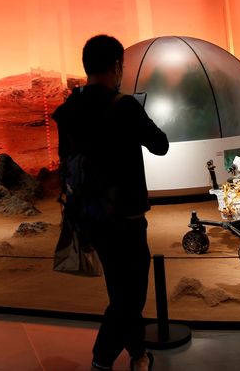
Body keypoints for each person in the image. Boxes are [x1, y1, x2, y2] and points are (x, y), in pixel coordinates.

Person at [53, 35, 168, 371]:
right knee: (129, 297)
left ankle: (138, 354)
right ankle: (101, 362)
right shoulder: (125, 106)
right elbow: (160, 145)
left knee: (121, 291)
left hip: (89, 217)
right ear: (117, 66)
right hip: (126, 218)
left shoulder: (68, 110)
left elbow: (66, 162)